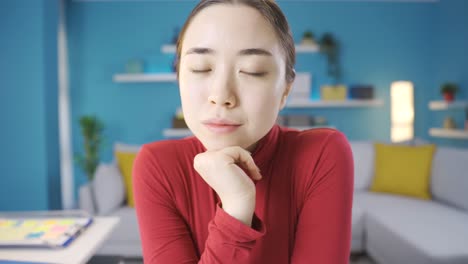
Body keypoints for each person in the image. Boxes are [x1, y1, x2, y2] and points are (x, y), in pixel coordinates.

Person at [133, 1, 354, 263]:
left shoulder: (323, 154)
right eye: (201, 68)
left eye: (252, 71)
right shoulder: (157, 165)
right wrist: (236, 207)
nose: (221, 96)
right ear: (179, 77)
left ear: (285, 89)